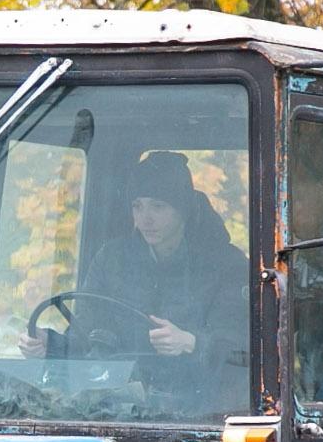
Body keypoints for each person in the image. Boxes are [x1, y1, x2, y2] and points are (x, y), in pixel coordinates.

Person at [29, 150, 250, 415]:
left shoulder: (227, 265)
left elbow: (244, 352)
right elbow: (87, 331)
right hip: (120, 407)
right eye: (138, 206)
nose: (146, 218)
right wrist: (49, 344)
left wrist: (190, 343)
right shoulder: (112, 259)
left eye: (158, 206)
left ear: (183, 210)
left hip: (202, 412)